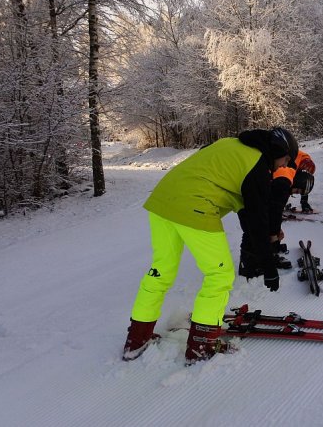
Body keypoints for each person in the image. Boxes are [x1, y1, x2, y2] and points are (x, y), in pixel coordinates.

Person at [122, 127, 298, 365]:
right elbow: (257, 222)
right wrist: (269, 267)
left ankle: (137, 338)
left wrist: (264, 243)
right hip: (194, 205)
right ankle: (202, 345)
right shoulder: (257, 165)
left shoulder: (230, 143)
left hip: (162, 200)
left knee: (160, 271)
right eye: (286, 160)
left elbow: (248, 216)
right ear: (279, 149)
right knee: (219, 275)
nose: (281, 167)